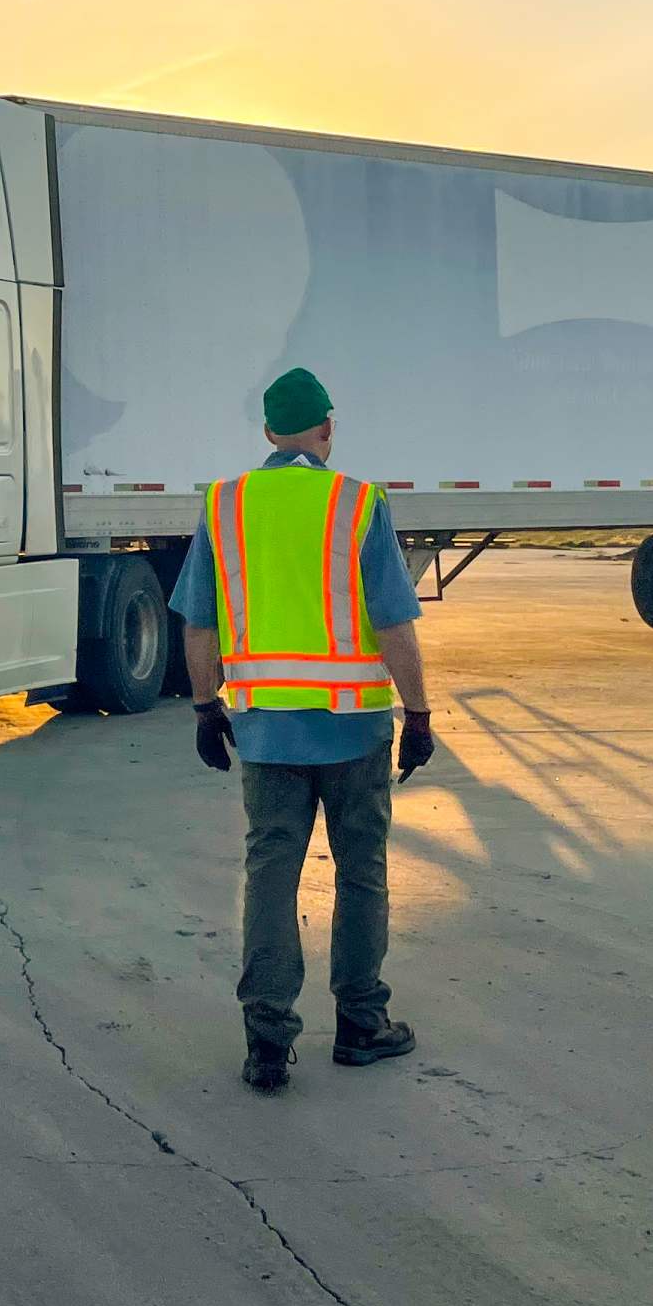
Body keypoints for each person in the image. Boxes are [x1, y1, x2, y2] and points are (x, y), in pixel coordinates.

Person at [169, 366, 436, 1094]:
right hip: (354, 731)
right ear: (327, 429)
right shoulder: (356, 502)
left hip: (264, 734)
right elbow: (392, 621)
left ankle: (265, 1041)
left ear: (266, 434)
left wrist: (203, 706)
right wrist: (418, 711)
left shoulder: (226, 506)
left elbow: (197, 619)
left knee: (270, 874)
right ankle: (360, 1023)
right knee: (360, 873)